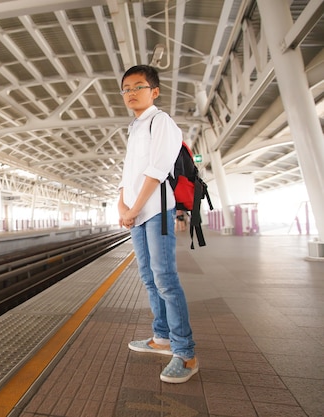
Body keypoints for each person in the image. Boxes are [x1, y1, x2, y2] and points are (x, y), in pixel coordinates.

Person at [117, 65, 198, 383]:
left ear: (154, 91)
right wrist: (122, 205)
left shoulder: (160, 122)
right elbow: (128, 173)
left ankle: (186, 353)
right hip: (136, 213)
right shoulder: (134, 128)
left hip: (157, 212)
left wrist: (134, 207)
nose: (131, 93)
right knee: (149, 278)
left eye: (138, 86)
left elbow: (158, 167)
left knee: (165, 279)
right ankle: (161, 338)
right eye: (125, 89)